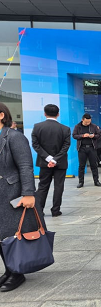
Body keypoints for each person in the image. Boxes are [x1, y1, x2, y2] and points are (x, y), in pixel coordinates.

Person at [0, 102, 46, 292]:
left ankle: (16, 273)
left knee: (10, 233)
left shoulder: (14, 137)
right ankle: (9, 270)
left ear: (1, 115)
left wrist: (28, 193)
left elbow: (26, 166)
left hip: (11, 193)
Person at [31, 104, 71, 217]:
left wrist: (48, 158)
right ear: (58, 114)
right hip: (60, 162)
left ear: (44, 113)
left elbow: (35, 145)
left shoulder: (37, 127)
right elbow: (66, 146)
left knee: (43, 186)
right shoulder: (65, 129)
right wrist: (55, 159)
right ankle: (55, 210)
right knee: (59, 186)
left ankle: (39, 210)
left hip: (44, 163)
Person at [72, 113, 101, 188]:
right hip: (82, 148)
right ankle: (81, 182)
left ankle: (96, 181)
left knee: (94, 165)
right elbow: (74, 135)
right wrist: (82, 136)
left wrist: (93, 136)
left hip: (92, 148)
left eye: (89, 122)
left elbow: (99, 134)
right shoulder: (78, 126)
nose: (88, 123)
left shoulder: (94, 126)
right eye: (86, 122)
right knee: (81, 166)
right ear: (82, 120)